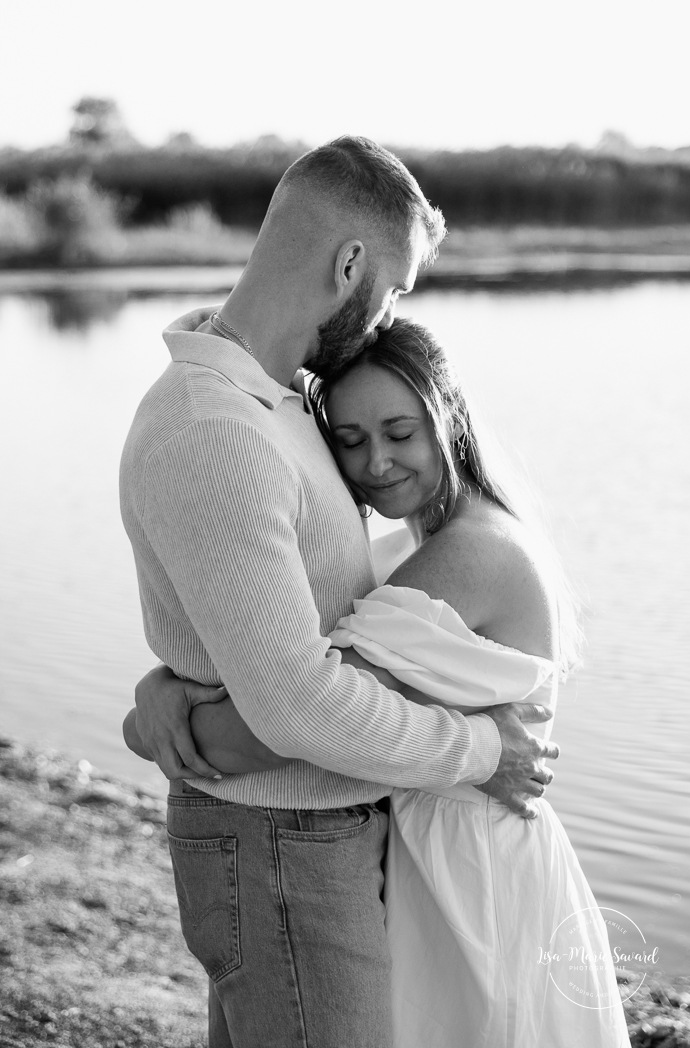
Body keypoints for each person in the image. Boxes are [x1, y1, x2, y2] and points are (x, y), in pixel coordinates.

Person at [120, 136, 558, 1048]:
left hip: (309, 828)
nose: (389, 312)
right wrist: (481, 751)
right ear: (350, 262)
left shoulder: (277, 405)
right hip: (277, 838)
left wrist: (168, 685)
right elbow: (295, 702)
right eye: (393, 288)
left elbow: (286, 620)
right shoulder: (215, 429)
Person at [147, 317, 631, 1047]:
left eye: (399, 432)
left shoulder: (469, 557)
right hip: (421, 852)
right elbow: (278, 658)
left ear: (450, 420)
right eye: (349, 440)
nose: (375, 462)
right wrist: (158, 685)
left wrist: (154, 718)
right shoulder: (412, 547)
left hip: (470, 874)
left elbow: (278, 724)